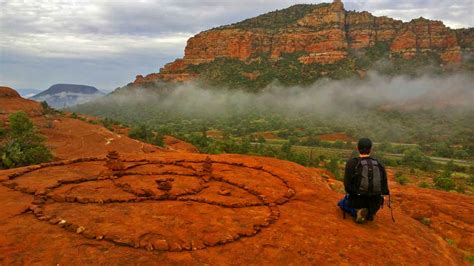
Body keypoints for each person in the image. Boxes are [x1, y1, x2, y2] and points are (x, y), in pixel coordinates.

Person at [339, 138, 389, 223]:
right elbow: (384, 189)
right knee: (372, 202)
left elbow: (347, 186)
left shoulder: (352, 163)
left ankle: (357, 211)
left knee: (341, 203)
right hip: (375, 202)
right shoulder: (379, 163)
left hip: (357, 200)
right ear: (371, 149)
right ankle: (370, 212)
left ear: (357, 148)